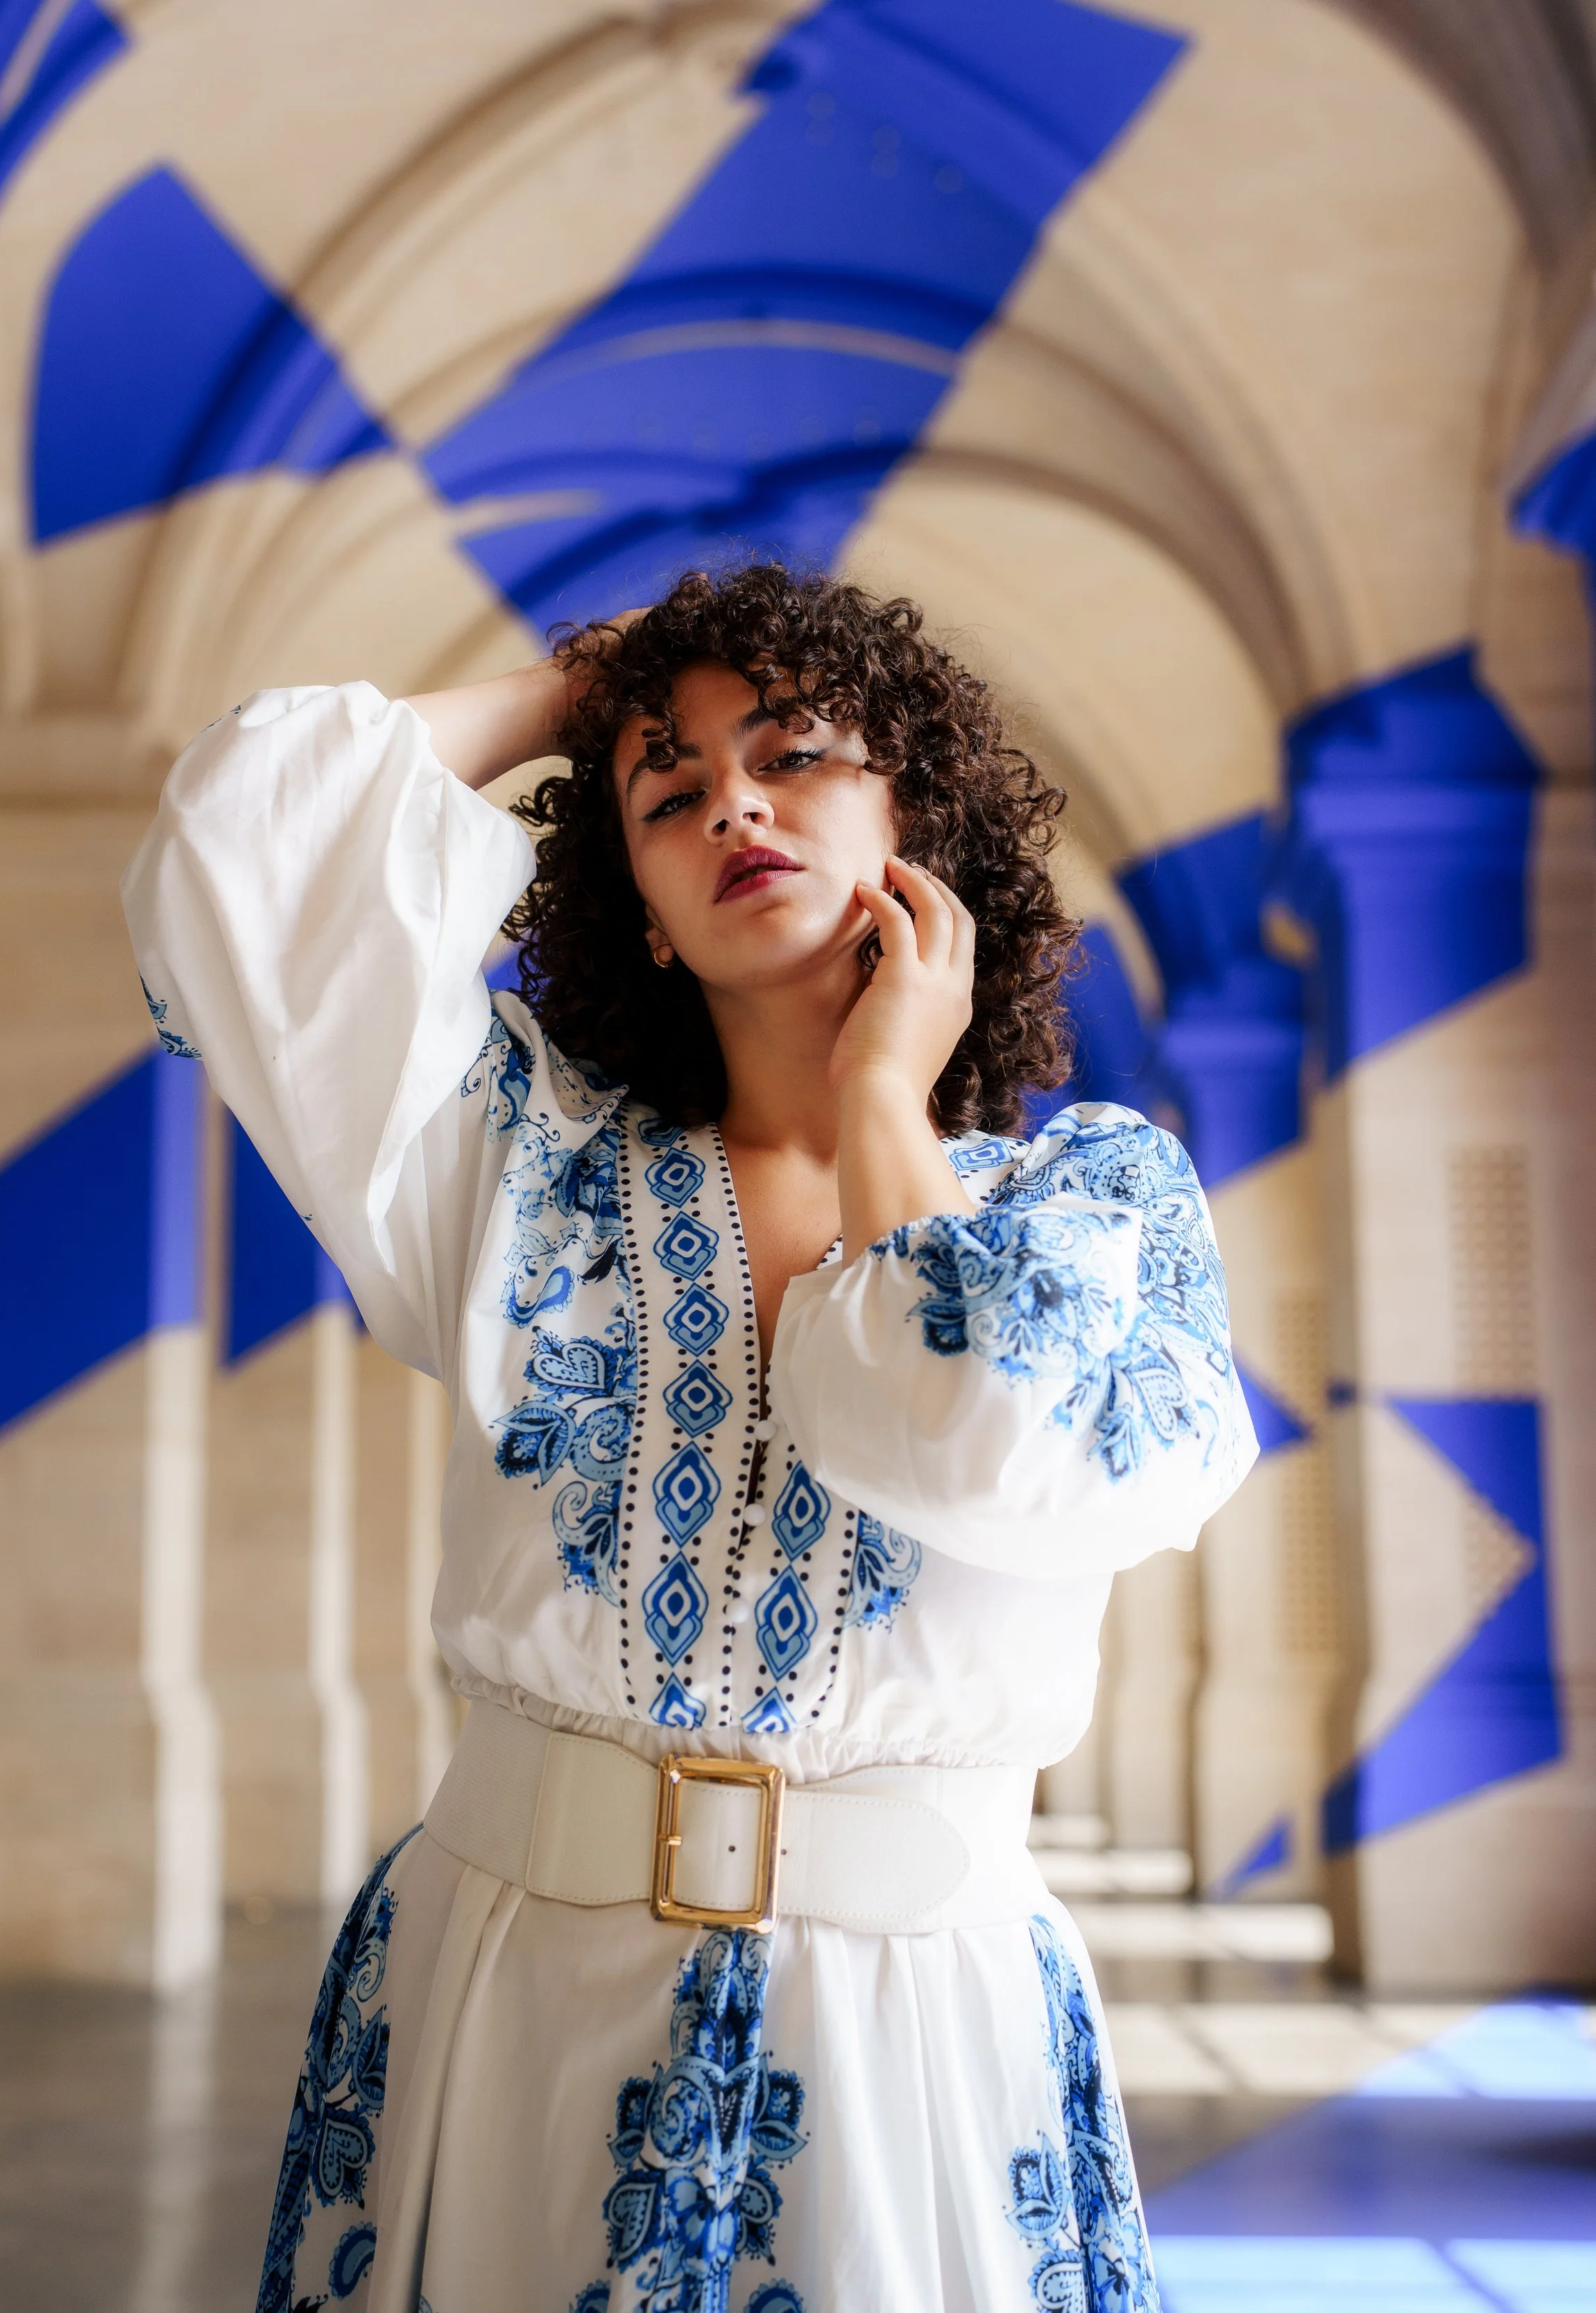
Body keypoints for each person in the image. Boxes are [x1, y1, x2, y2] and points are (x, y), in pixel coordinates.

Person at [123, 564, 1256, 2313]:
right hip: (509, 2003)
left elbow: (1003, 1454)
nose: (731, 796)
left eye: (792, 752)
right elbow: (241, 865)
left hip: (910, 2052)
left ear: (916, 821)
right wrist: (568, 699)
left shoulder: (1098, 1204)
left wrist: (886, 1095)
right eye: (669, 788)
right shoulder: (516, 1171)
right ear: (640, 902)